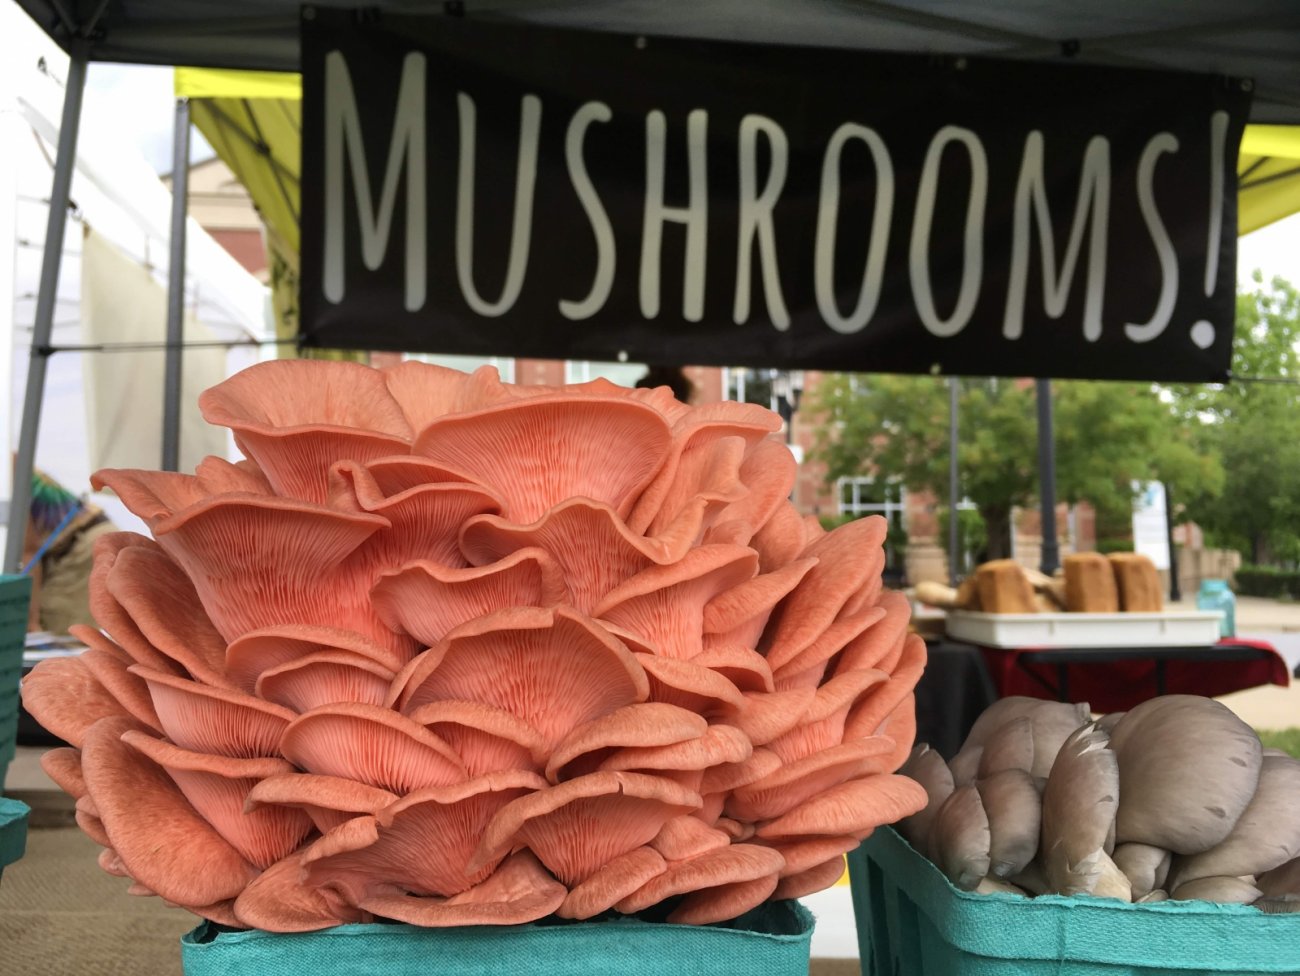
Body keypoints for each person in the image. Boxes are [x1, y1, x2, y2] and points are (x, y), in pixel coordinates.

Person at [21, 468, 118, 634]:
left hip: (79, 548)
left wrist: (30, 620)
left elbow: (26, 552)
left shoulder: (9, 467)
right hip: (73, 545)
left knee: (61, 635)